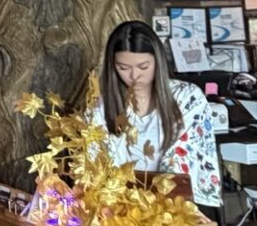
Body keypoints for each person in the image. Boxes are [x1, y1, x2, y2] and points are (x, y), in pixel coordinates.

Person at [89, 21, 222, 207]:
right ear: (113, 66)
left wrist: (157, 200)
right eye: (123, 68)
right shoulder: (100, 108)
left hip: (176, 206)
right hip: (118, 207)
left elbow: (182, 155)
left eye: (143, 67)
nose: (134, 76)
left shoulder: (187, 97)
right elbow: (96, 163)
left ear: (157, 61)